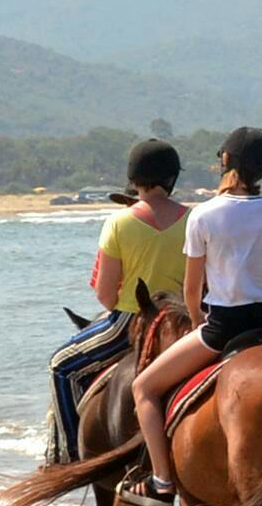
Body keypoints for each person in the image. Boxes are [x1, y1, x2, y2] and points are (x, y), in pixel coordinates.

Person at [125, 127, 262, 506]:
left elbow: (191, 291)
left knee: (144, 389)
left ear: (226, 162)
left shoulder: (203, 215)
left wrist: (202, 316)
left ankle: (162, 483)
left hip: (224, 327)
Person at [42, 138, 189, 462]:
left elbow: (105, 294)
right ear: (172, 179)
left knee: (61, 366)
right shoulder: (195, 219)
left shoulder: (118, 222)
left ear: (133, 179)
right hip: (186, 325)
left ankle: (65, 456)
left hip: (130, 321)